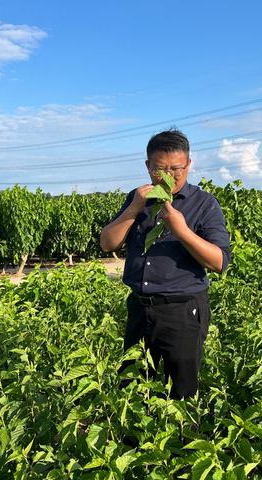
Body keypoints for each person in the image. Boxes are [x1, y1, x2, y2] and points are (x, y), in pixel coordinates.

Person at [100, 128, 231, 399]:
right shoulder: (137, 199)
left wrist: (181, 230)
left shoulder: (204, 204)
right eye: (160, 169)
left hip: (182, 311)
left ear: (189, 164)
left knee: (181, 392)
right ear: (148, 166)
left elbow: (219, 262)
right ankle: (133, 441)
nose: (169, 176)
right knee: (132, 390)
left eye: (177, 168)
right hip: (139, 309)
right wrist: (134, 208)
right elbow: (108, 243)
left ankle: (181, 439)